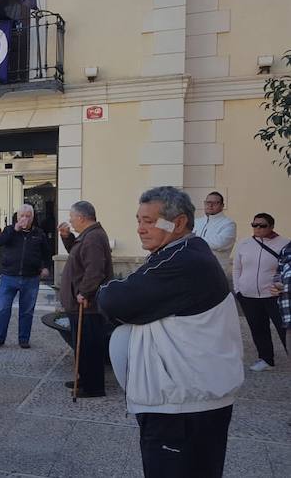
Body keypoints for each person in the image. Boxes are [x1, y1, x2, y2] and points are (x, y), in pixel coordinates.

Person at [98, 186, 243, 478]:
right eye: (138, 220)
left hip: (182, 411)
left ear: (177, 223)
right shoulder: (182, 253)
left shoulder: (183, 261)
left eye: (149, 221)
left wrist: (110, 288)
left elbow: (113, 299)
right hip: (186, 403)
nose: (140, 229)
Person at [57, 201, 113, 398]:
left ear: (81, 217)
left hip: (87, 305)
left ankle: (93, 387)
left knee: (89, 346)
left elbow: (95, 271)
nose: (71, 221)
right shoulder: (88, 236)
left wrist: (85, 292)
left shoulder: (93, 238)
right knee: (83, 344)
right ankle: (85, 379)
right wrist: (67, 238)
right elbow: (79, 256)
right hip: (80, 303)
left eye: (72, 217)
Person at [232, 213, 289, 372]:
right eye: (254, 225)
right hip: (248, 295)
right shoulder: (244, 243)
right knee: (258, 328)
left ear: (271, 227)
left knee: (284, 329)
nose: (257, 228)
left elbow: (287, 269)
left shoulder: (285, 244)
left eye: (262, 225)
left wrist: (281, 287)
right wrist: (238, 290)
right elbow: (237, 268)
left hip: (274, 296)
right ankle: (266, 359)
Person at [0, 204, 51, 349]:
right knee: (3, 308)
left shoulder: (39, 233)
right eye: (21, 216)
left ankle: (24, 339)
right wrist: (14, 230)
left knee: (27, 310)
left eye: (27, 216)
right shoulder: (10, 230)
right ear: (17, 218)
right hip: (9, 276)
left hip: (31, 278)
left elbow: (47, 253)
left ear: (32, 218)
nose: (24, 219)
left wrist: (46, 267)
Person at [192, 191, 237, 280]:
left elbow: (219, 243)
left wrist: (193, 239)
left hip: (215, 272)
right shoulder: (197, 222)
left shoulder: (228, 224)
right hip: (194, 270)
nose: (210, 205)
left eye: (215, 203)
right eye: (208, 202)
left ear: (222, 205)